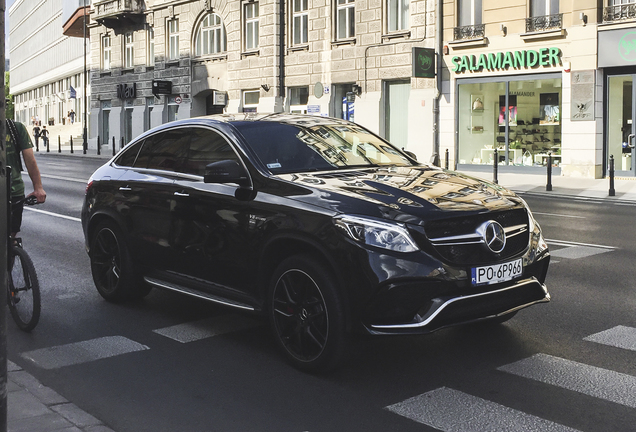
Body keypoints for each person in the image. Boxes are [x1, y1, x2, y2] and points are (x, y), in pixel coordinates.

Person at [5, 119, 47, 237]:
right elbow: (30, 161)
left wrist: (38, 187)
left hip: (13, 190)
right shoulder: (15, 127)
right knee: (10, 236)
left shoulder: (15, 128)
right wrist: (38, 188)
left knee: (10, 237)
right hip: (14, 189)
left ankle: (11, 249)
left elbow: (30, 160)